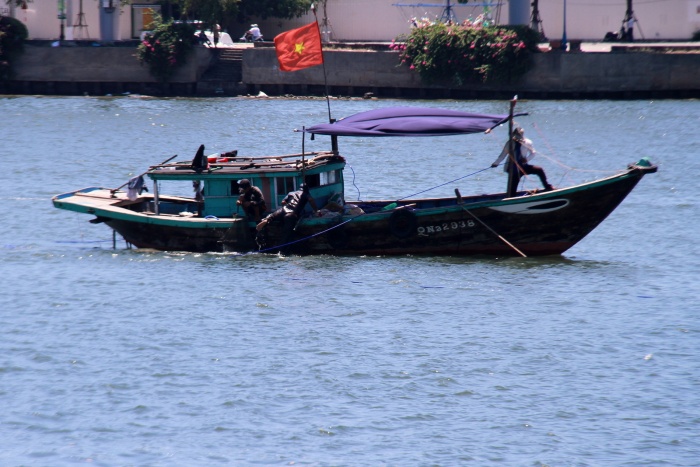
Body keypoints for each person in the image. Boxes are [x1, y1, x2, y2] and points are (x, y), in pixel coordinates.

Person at [491, 127, 553, 196]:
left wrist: (526, 159)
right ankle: (511, 198)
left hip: (523, 166)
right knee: (512, 191)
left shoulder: (527, 142)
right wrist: (495, 163)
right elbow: (502, 155)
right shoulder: (510, 143)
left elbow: (533, 153)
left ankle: (548, 187)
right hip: (513, 169)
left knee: (539, 170)